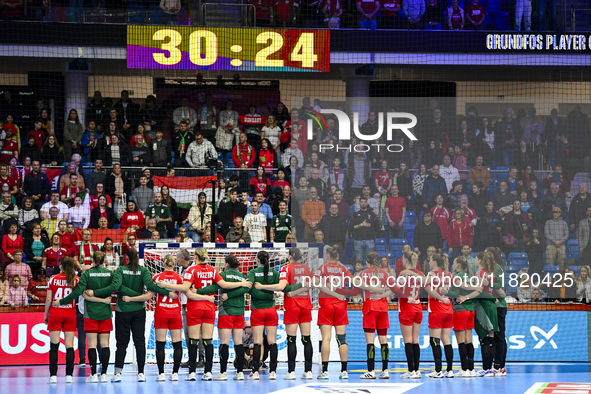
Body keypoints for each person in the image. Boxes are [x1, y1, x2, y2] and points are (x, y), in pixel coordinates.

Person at [156, 247, 252, 381]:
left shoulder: (191, 270)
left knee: (193, 340)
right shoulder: (213, 270)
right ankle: (208, 372)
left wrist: (165, 284)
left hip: (194, 308)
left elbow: (185, 289)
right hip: (209, 309)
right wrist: (242, 283)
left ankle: (193, 372)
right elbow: (223, 284)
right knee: (208, 341)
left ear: (195, 257)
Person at [86, 248, 174, 382]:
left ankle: (117, 373)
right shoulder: (143, 270)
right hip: (139, 310)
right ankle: (141, 373)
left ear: (126, 257)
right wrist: (166, 293)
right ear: (137, 258)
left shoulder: (121, 270)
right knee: (139, 342)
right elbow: (151, 286)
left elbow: (116, 287)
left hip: (123, 311)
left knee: (122, 343)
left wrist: (95, 292)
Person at [254, 247, 314, 380]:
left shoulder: (286, 268)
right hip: (306, 306)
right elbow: (312, 284)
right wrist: (298, 290)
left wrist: (262, 286)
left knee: (291, 340)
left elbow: (281, 287)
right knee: (306, 339)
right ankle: (308, 371)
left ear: (290, 256)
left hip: (292, 306)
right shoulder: (308, 270)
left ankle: (291, 372)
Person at [54, 251, 114, 383]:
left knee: (92, 345)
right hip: (105, 313)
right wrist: (103, 299)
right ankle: (104, 374)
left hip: (90, 313)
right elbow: (115, 287)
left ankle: (93, 375)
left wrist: (62, 301)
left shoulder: (87, 274)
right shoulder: (110, 274)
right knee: (105, 345)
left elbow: (77, 292)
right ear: (104, 261)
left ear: (92, 260)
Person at [196, 254, 249, 381]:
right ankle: (240, 373)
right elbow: (245, 290)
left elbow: (213, 287)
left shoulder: (223, 275)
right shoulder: (243, 277)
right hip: (240, 312)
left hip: (226, 311)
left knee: (224, 343)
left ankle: (223, 373)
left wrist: (197, 291)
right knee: (239, 343)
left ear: (226, 264)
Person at [314, 246, 359, 379]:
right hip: (340, 306)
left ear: (327, 255)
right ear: (337, 256)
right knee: (342, 339)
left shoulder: (322, 268)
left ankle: (325, 371)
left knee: (326, 338)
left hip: (326, 305)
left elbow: (315, 283)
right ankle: (344, 371)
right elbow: (354, 282)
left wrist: (324, 284)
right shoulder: (344, 269)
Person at [45, 257, 84, 383]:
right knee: (70, 346)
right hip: (70, 314)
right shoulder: (76, 280)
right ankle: (69, 376)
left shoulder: (53, 279)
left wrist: (46, 315)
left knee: (54, 345)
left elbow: (48, 300)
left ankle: (53, 376)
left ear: (60, 265)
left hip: (55, 314)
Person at [446, 257, 482, 377]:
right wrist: (467, 298)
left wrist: (444, 292)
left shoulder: (457, 277)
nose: (452, 264)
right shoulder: (470, 277)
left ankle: (464, 369)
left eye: (454, 262)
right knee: (468, 340)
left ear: (458, 265)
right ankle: (471, 369)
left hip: (460, 310)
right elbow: (477, 292)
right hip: (470, 310)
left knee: (460, 341)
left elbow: (455, 294)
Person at [246, 251, 279, 380]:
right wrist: (270, 296)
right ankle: (273, 372)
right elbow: (278, 288)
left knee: (258, 341)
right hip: (271, 310)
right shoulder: (275, 273)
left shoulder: (253, 272)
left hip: (257, 310)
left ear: (257, 260)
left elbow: (251, 290)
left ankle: (255, 372)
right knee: (272, 341)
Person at [392, 252, 424, 378]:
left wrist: (405, 298)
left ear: (405, 260)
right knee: (415, 340)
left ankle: (411, 370)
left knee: (408, 341)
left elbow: (396, 290)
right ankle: (417, 370)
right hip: (418, 307)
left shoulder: (403, 274)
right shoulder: (420, 274)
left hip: (407, 309)